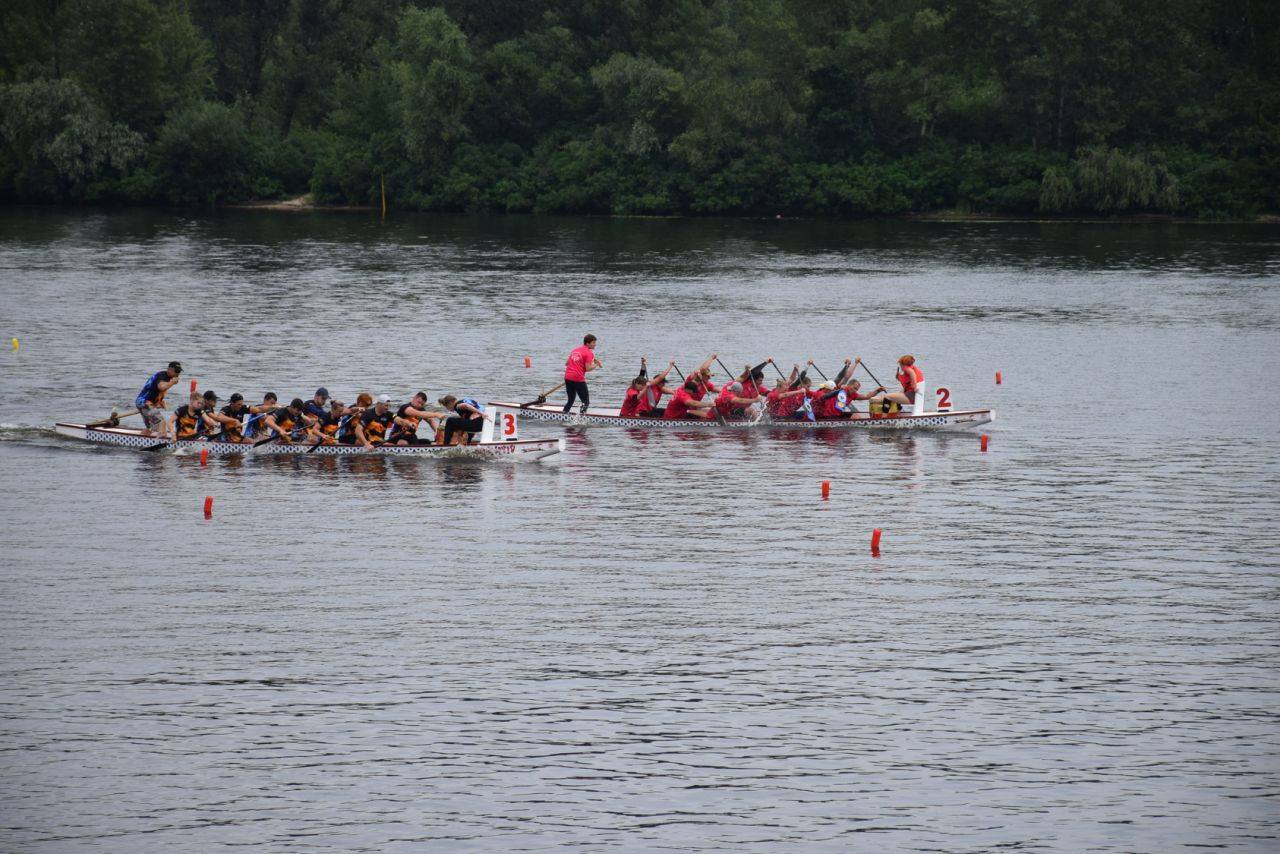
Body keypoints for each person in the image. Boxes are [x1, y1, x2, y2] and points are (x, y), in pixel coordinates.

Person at [135, 361, 182, 438]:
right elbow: (161, 387)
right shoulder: (161, 376)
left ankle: (139, 439)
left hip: (143, 403)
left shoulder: (168, 377)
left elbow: (155, 391)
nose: (178, 374)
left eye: (179, 371)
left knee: (150, 428)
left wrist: (159, 402)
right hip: (145, 403)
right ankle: (160, 441)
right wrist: (172, 382)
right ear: (169, 369)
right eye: (176, 371)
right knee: (161, 423)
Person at [563, 333, 602, 414]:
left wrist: (592, 360)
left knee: (570, 400)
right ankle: (582, 418)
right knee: (586, 402)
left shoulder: (575, 350)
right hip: (578, 379)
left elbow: (567, 363)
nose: (595, 344)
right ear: (587, 343)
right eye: (593, 343)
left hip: (568, 377)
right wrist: (596, 364)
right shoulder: (589, 353)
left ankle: (564, 414)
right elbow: (588, 369)